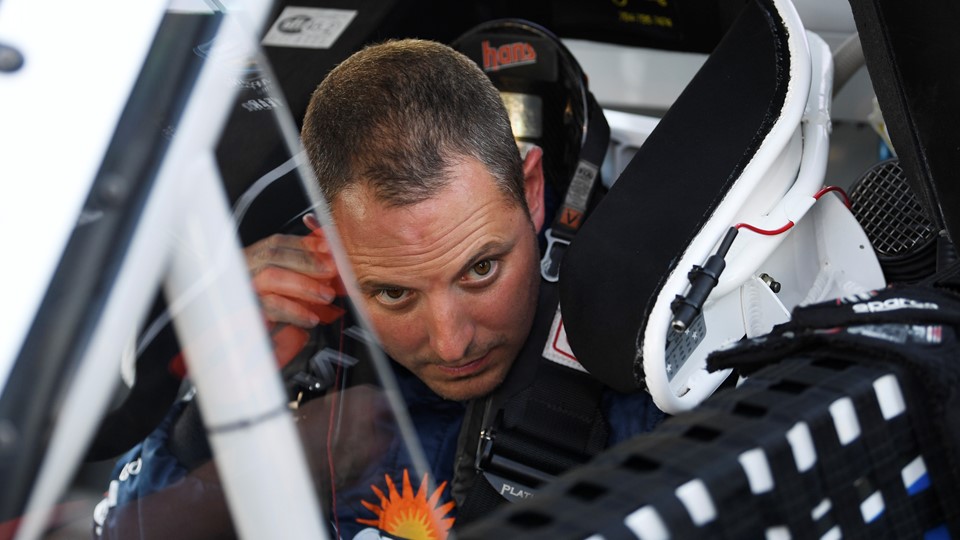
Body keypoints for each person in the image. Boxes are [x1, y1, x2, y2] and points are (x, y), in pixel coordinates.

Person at [95, 38, 664, 540]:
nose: (450, 343)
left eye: (481, 270)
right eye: (394, 293)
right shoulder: (310, 362)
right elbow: (119, 529)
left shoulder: (644, 374)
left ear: (532, 190)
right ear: (329, 248)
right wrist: (227, 408)